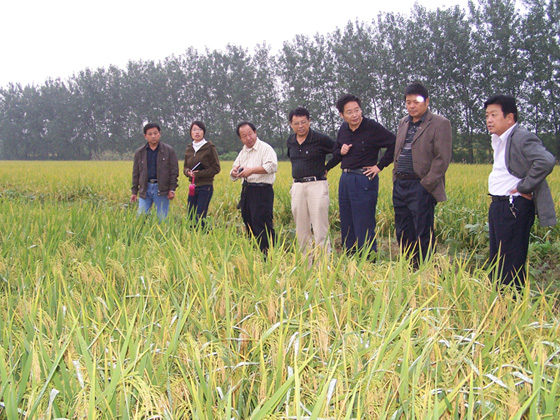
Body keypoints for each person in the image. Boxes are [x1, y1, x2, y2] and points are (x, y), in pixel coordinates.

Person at [484, 94, 556, 288]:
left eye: (494, 115)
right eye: (487, 115)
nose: (489, 120)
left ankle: (512, 300)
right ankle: (500, 298)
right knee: (498, 259)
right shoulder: (499, 139)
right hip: (500, 205)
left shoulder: (521, 136)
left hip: (513, 206)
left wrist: (525, 186)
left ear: (509, 117)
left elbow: (546, 161)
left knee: (511, 261)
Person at [326, 94, 396, 254]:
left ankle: (368, 257)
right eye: (349, 112)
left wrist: (379, 166)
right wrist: (340, 151)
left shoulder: (372, 127)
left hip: (364, 178)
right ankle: (349, 255)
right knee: (346, 219)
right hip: (345, 178)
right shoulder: (343, 129)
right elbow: (336, 150)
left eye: (357, 110)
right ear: (342, 115)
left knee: (363, 220)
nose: (354, 115)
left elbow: (394, 143)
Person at [392, 82, 452, 265]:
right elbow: (398, 151)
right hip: (400, 184)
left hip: (421, 185)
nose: (412, 106)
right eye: (408, 102)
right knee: (403, 230)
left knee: (423, 230)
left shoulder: (440, 123)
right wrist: (395, 179)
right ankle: (409, 266)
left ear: (426, 102)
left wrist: (426, 184)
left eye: (416, 102)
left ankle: (425, 269)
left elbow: (442, 158)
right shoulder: (403, 122)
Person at [287, 107, 335, 255]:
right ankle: (305, 263)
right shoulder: (290, 140)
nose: (300, 126)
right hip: (297, 186)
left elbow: (339, 151)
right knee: (301, 229)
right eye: (296, 123)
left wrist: (328, 167)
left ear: (309, 121)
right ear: (291, 124)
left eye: (303, 122)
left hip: (317, 185)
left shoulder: (320, 138)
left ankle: (324, 264)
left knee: (320, 227)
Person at [230, 121, 278, 253]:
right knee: (249, 221)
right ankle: (255, 252)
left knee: (262, 223)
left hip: (262, 191)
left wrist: (252, 170)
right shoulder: (243, 152)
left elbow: (272, 166)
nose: (248, 138)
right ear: (240, 138)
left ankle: (269, 254)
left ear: (255, 132)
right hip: (247, 190)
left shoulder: (265, 148)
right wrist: (234, 172)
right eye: (244, 136)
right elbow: (234, 171)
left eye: (250, 134)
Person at [131, 123, 179, 221]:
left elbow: (174, 171)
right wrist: (134, 192)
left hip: (161, 189)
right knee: (140, 218)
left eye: (155, 133)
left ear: (159, 134)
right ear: (145, 136)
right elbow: (136, 173)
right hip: (145, 188)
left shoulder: (168, 151)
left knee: (162, 219)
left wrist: (172, 189)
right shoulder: (140, 152)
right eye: (150, 134)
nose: (153, 136)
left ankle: (161, 232)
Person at [183, 121, 221, 227]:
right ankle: (193, 235)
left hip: (205, 187)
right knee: (190, 215)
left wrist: (199, 173)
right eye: (194, 130)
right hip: (193, 187)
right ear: (191, 132)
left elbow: (216, 168)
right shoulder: (189, 148)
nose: (197, 132)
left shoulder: (209, 147)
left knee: (200, 217)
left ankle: (205, 234)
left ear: (204, 132)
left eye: (200, 129)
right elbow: (185, 167)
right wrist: (188, 172)